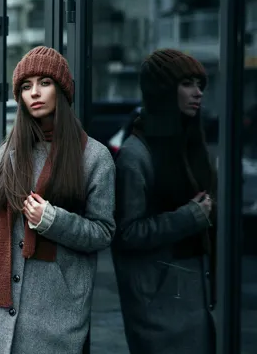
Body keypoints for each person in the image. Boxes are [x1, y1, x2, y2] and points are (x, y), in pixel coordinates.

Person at [0, 46, 116, 353]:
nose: (35, 93)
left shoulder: (95, 157)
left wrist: (53, 221)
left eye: (45, 82)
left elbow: (103, 233)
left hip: (53, 318)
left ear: (62, 89)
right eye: (26, 86)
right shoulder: (7, 154)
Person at [112, 49, 216, 354]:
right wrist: (190, 216)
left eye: (199, 84)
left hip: (195, 292)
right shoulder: (136, 155)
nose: (197, 92)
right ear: (164, 90)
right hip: (158, 305)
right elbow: (126, 232)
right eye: (187, 83)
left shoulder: (191, 145)